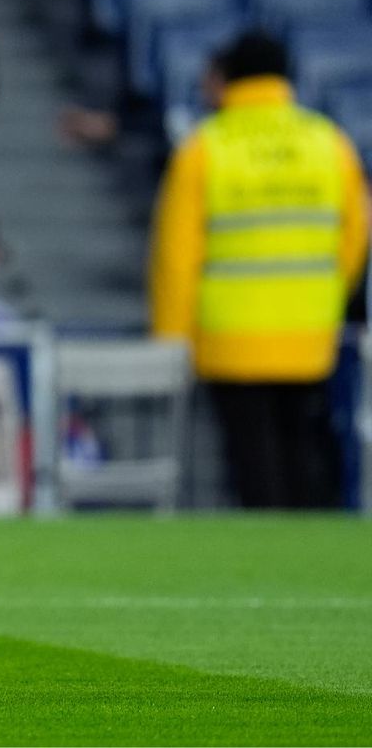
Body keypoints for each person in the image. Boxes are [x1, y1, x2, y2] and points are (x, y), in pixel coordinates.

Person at [149, 31, 368, 509]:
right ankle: (313, 565)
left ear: (228, 78)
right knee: (304, 450)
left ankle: (267, 565)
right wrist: (328, 297)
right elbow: (355, 237)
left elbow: (175, 256)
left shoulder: (204, 148)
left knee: (254, 461)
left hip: (231, 337)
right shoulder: (329, 143)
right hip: (310, 333)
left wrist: (170, 339)